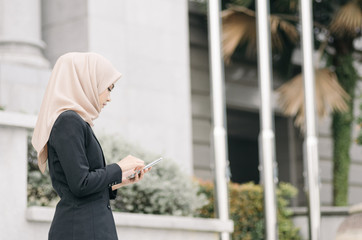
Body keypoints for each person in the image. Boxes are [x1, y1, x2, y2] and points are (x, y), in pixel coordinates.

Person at [31, 52, 150, 240]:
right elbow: (80, 184)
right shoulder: (68, 121)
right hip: (80, 230)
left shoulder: (76, 122)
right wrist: (119, 168)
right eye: (108, 88)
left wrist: (120, 180)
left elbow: (82, 185)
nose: (109, 97)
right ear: (86, 82)